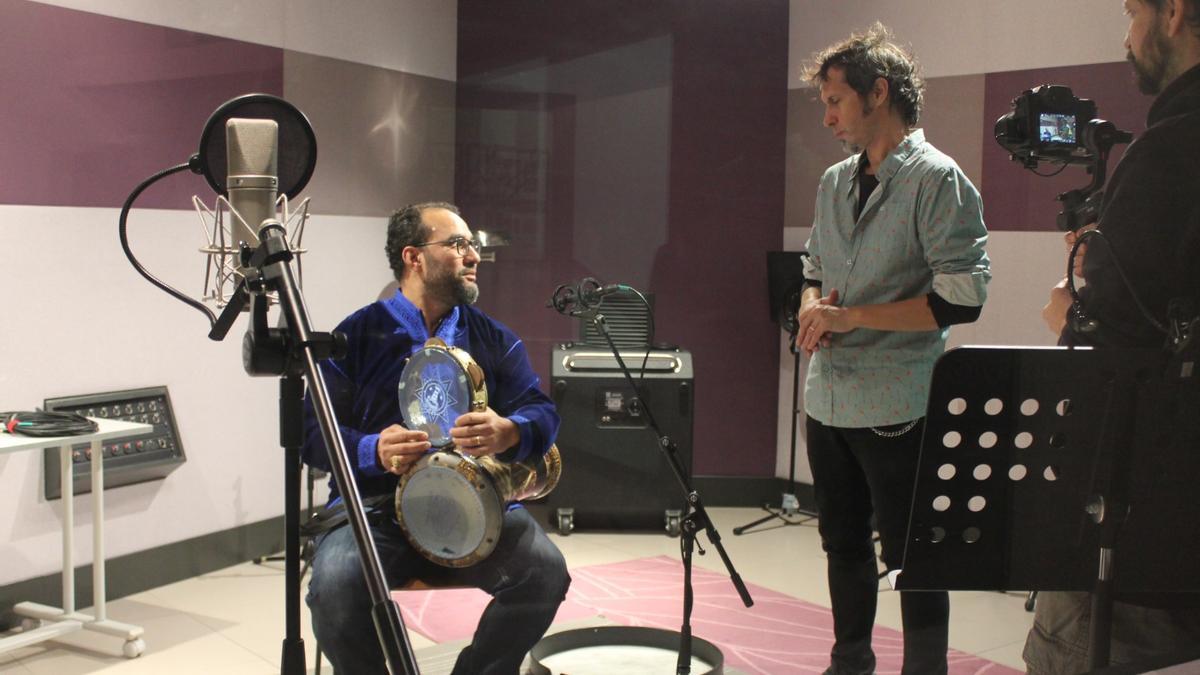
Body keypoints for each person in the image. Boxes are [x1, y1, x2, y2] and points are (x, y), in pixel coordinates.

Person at [301, 202, 569, 675]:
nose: (474, 256)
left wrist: (509, 430)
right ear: (414, 257)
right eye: (458, 244)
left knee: (544, 573)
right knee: (335, 589)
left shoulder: (493, 336)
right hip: (372, 509)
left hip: (477, 503)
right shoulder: (355, 336)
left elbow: (542, 412)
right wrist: (372, 450)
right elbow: (309, 431)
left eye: (473, 245)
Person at [797, 23, 991, 675]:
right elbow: (814, 262)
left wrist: (851, 316)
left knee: (915, 553)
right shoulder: (832, 182)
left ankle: (924, 669)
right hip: (827, 398)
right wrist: (811, 304)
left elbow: (962, 297)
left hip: (899, 401)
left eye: (834, 101)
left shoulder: (940, 181)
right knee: (842, 543)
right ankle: (849, 660)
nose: (826, 118)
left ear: (878, 93)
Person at [1032, 1, 1200, 672]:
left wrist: (1067, 310)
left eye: (1133, 12)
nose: (1127, 35)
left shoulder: (1169, 149)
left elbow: (1115, 350)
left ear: (1173, 14)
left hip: (1138, 540)